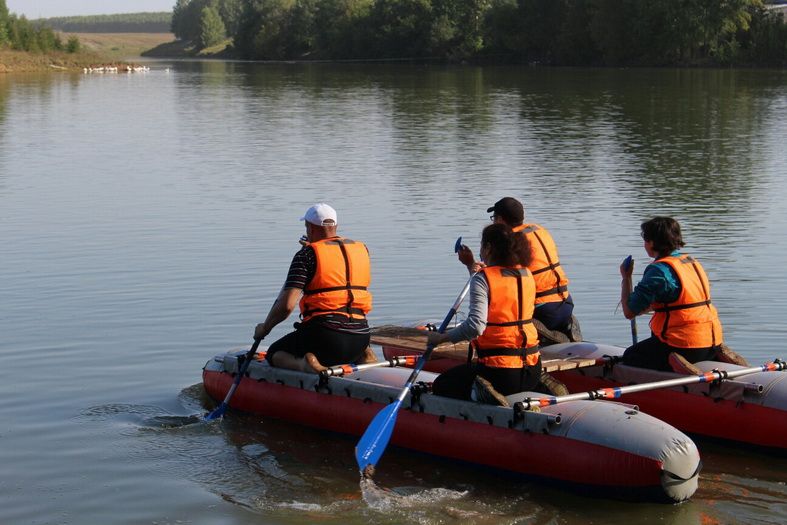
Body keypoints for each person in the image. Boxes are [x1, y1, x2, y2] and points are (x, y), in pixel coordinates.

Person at [427, 223, 567, 406]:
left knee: (442, 385)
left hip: (500, 371)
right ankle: (538, 385)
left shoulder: (483, 279)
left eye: (481, 245)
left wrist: (441, 338)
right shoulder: (526, 275)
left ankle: (483, 395)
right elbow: (500, 293)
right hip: (532, 367)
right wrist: (470, 265)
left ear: (488, 248)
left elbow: (476, 326)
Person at [254, 203, 375, 373]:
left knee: (274, 353)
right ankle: (365, 354)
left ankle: (304, 364)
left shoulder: (306, 255)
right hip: (361, 336)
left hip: (325, 338)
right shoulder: (362, 249)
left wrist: (264, 328)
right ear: (336, 226)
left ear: (310, 227)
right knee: (348, 331)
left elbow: (286, 306)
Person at [620, 216, 747, 374]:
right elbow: (680, 302)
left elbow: (629, 311)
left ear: (652, 242)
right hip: (712, 339)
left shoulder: (659, 270)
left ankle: (678, 368)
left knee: (631, 356)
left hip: (683, 345)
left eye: (646, 240)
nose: (644, 244)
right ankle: (715, 357)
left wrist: (626, 277)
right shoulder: (691, 262)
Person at [457, 197, 580, 343]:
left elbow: (491, 282)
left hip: (542, 311)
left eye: (494, 218)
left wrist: (470, 264)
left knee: (496, 307)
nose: (493, 222)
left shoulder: (511, 242)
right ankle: (563, 327)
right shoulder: (539, 230)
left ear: (501, 220)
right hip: (565, 303)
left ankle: (545, 333)